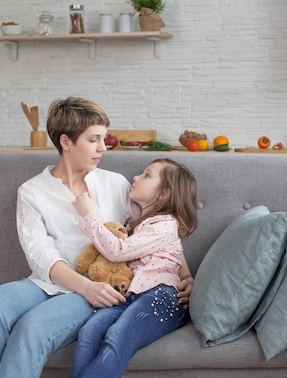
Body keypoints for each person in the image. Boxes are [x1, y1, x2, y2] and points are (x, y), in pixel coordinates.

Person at [0, 97, 193, 378]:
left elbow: (153, 230)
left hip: (100, 286)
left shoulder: (116, 184)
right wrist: (85, 287)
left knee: (33, 327)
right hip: (53, 283)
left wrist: (186, 275)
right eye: (94, 139)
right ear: (66, 142)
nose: (103, 147)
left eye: (103, 138)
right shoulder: (32, 191)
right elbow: (41, 256)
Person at [69, 158, 199, 378]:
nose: (136, 177)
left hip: (162, 296)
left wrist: (88, 215)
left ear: (165, 193)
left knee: (118, 336)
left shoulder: (167, 224)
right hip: (131, 295)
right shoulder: (137, 224)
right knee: (90, 330)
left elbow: (118, 250)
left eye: (147, 175)